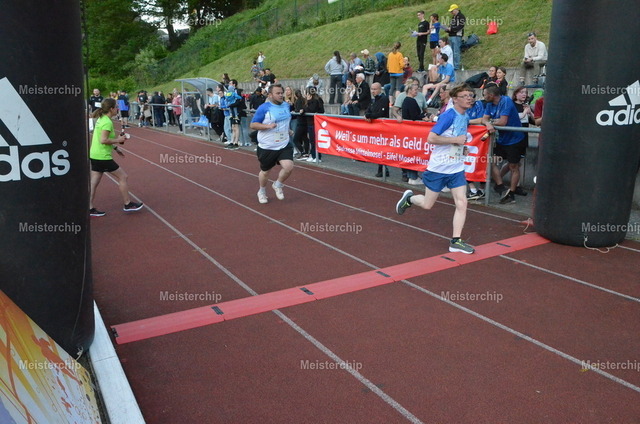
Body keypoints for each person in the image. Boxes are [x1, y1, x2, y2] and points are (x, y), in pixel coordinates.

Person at [395, 84, 476, 254]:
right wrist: (455, 141)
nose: (469, 98)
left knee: (462, 202)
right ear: (455, 99)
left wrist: (462, 148)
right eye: (465, 96)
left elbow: (459, 138)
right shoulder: (448, 116)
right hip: (438, 168)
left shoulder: (465, 116)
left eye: (471, 95)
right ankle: (410, 199)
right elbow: (431, 138)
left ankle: (456, 241)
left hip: (456, 168)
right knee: (427, 204)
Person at [89, 98, 143, 217]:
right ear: (111, 109)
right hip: (102, 156)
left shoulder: (101, 118)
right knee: (123, 176)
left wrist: (115, 148)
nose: (118, 109)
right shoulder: (107, 122)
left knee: (94, 182)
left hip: (94, 154)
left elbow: (100, 138)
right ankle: (127, 204)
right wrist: (118, 140)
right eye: (116, 107)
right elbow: (103, 140)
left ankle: (89, 207)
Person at [481, 85, 526, 205]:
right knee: (491, 162)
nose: (483, 97)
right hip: (501, 139)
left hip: (515, 139)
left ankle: (511, 193)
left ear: (491, 95)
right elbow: (484, 119)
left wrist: (491, 122)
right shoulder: (489, 104)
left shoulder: (506, 101)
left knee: (513, 166)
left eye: (485, 94)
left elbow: (502, 122)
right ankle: (500, 186)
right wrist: (489, 123)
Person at [250, 84, 294, 204]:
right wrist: (267, 126)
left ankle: (277, 184)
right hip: (267, 146)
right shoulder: (264, 108)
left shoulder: (286, 105)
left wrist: (288, 130)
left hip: (284, 143)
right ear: (270, 95)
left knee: (289, 167)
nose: (281, 95)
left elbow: (284, 121)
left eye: (281, 93)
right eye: (277, 93)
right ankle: (262, 191)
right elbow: (253, 125)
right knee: (265, 172)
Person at [506, 86, 535, 196]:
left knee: (519, 163)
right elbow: (511, 119)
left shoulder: (525, 106)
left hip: (523, 137)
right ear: (515, 94)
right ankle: (504, 182)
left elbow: (535, 122)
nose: (524, 94)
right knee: (513, 163)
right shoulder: (511, 105)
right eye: (521, 92)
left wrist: (530, 112)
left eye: (525, 92)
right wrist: (523, 113)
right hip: (513, 138)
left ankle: (516, 186)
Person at [401, 83, 431, 185]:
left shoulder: (406, 100)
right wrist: (424, 117)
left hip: (408, 130)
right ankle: (413, 176)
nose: (417, 92)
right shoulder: (411, 101)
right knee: (413, 153)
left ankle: (411, 175)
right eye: (415, 90)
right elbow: (414, 116)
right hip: (412, 131)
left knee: (410, 153)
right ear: (410, 90)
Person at [364, 82, 390, 178]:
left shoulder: (384, 99)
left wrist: (369, 115)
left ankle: (383, 169)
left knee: (382, 149)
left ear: (380, 89)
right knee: (378, 149)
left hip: (383, 128)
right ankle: (382, 169)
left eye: (375, 89)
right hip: (375, 128)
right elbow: (368, 110)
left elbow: (380, 113)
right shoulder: (373, 100)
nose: (373, 91)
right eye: (372, 89)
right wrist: (368, 115)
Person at [442, 4, 465, 71]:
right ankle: (451, 65)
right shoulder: (453, 17)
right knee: (451, 52)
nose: (451, 12)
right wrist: (447, 29)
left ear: (456, 9)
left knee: (456, 52)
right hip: (451, 35)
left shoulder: (461, 16)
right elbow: (451, 26)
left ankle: (456, 66)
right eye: (451, 11)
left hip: (457, 36)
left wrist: (451, 29)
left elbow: (460, 26)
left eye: (452, 11)